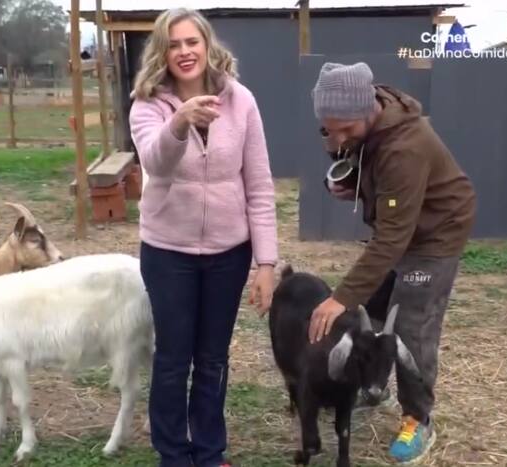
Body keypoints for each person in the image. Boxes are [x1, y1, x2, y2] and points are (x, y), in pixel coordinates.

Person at [128, 8, 278, 467]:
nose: (184, 52)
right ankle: (173, 455)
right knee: (173, 359)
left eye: (192, 41)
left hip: (228, 253)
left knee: (212, 359)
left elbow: (259, 184)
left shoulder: (241, 101)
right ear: (162, 52)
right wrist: (179, 123)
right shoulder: (147, 103)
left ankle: (210, 453)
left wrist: (266, 265)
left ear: (207, 45)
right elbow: (156, 164)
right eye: (173, 45)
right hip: (168, 252)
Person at [307, 62, 476, 465]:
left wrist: (340, 297)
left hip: (434, 234)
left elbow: (392, 239)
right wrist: (354, 181)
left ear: (369, 111)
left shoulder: (407, 147)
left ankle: (418, 418)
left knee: (413, 329)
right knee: (375, 314)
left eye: (346, 129)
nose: (338, 138)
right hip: (400, 227)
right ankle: (371, 387)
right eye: (329, 129)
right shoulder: (363, 116)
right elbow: (360, 156)